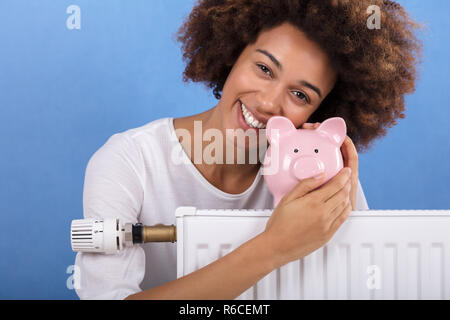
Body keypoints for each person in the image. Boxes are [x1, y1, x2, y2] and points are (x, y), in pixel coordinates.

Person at [74, 0, 422, 300]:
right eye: (264, 68)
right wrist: (273, 247)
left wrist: (347, 210)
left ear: (322, 113)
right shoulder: (128, 161)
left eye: (300, 95)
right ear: (232, 52)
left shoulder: (319, 176)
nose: (269, 103)